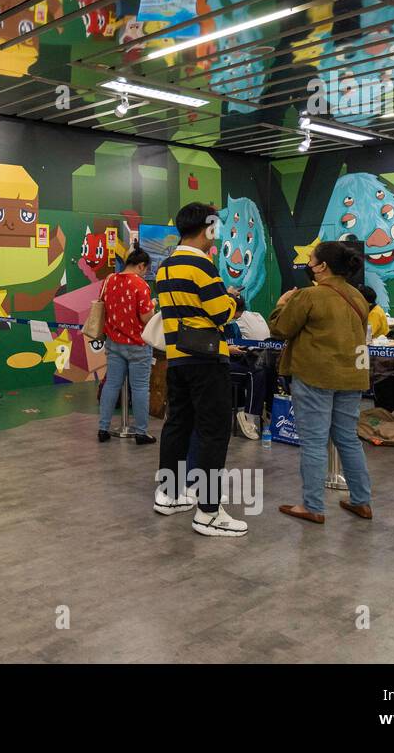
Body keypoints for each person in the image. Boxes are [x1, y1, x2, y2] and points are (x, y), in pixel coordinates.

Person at [153, 202, 246, 537]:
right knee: (213, 431)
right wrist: (235, 300)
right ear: (207, 228)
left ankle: (169, 494)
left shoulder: (165, 267)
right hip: (207, 359)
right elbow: (222, 313)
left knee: (177, 424)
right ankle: (208, 512)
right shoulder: (203, 266)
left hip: (176, 357)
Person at [269, 242, 374, 525]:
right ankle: (361, 501)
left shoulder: (309, 295)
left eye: (310, 259)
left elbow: (281, 329)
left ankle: (312, 505)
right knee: (348, 439)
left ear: (322, 266)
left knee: (314, 442)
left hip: (315, 374)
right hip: (352, 376)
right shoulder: (357, 296)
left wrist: (280, 306)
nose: (308, 263)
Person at [97, 246, 155, 444]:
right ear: (141, 266)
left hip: (113, 342)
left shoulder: (109, 280)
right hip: (138, 345)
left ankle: (103, 428)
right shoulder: (141, 285)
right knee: (139, 388)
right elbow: (146, 316)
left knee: (111, 384)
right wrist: (154, 308)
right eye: (146, 270)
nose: (145, 273)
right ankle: (141, 432)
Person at [223, 292, 271, 439]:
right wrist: (228, 349)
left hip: (244, 360)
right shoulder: (257, 315)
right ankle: (252, 416)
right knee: (256, 373)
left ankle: (250, 414)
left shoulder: (233, 323)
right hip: (215, 365)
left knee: (257, 372)